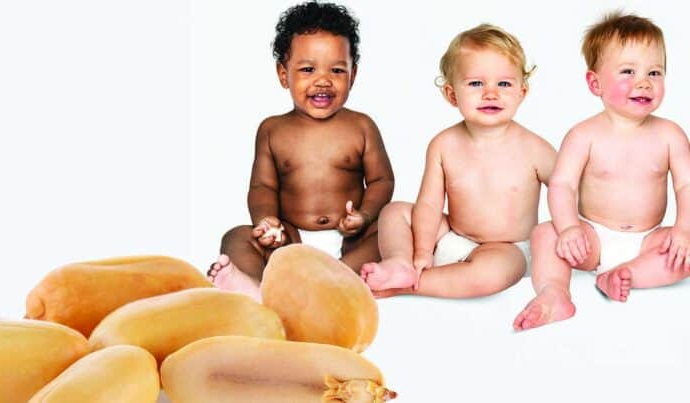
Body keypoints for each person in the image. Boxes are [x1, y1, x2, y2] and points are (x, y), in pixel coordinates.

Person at [514, 12, 690, 331]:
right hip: (591, 238)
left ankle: (628, 275)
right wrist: (569, 228)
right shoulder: (583, 135)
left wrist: (683, 229)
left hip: (649, 239)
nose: (643, 82)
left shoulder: (670, 134)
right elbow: (563, 185)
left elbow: (686, 186)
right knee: (544, 233)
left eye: (655, 72)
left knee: (687, 251)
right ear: (595, 83)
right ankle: (555, 292)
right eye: (627, 71)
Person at [208, 1, 394, 301]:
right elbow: (262, 186)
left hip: (350, 240)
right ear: (284, 74)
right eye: (308, 69)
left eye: (337, 70)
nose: (323, 80)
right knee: (236, 237)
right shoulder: (272, 130)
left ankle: (335, 278)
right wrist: (267, 221)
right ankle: (253, 288)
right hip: (290, 240)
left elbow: (382, 181)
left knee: (389, 232)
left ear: (353, 74)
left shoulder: (361, 126)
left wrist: (364, 216)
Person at [361, 24, 555, 298]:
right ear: (452, 95)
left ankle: (408, 285)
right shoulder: (443, 144)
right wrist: (422, 251)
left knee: (491, 275)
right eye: (476, 83)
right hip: (452, 234)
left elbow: (568, 188)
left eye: (504, 83)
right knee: (395, 212)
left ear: (521, 93)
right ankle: (400, 263)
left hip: (507, 248)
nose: (491, 93)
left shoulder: (534, 148)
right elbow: (429, 203)